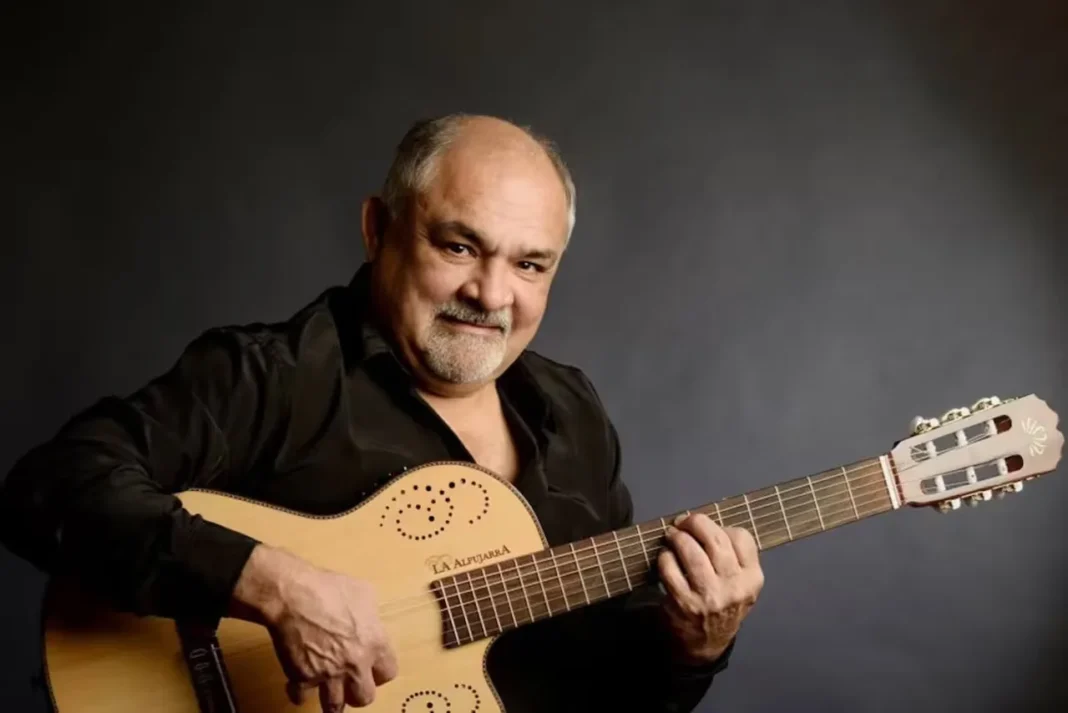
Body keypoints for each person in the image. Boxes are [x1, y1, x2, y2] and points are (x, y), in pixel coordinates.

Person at [0, 113, 764, 712]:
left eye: (530, 264)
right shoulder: (276, 376)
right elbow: (49, 487)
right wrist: (268, 583)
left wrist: (694, 648)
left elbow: (604, 695)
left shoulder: (574, 416)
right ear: (378, 229)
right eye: (460, 246)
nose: (493, 295)